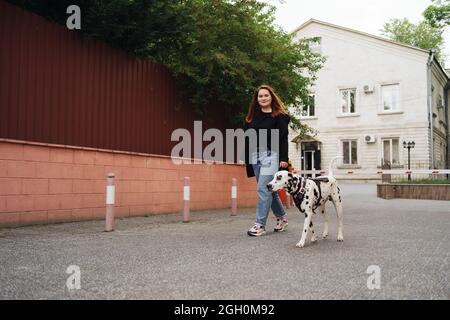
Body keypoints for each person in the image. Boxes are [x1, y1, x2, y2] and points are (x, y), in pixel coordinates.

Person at [243, 85, 290, 237]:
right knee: (270, 189)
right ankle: (282, 218)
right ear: (257, 99)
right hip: (255, 156)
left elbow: (283, 139)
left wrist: (284, 158)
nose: (263, 98)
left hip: (271, 156)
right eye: (260, 96)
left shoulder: (279, 116)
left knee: (263, 189)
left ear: (271, 97)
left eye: (266, 95)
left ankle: (260, 225)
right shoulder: (252, 117)